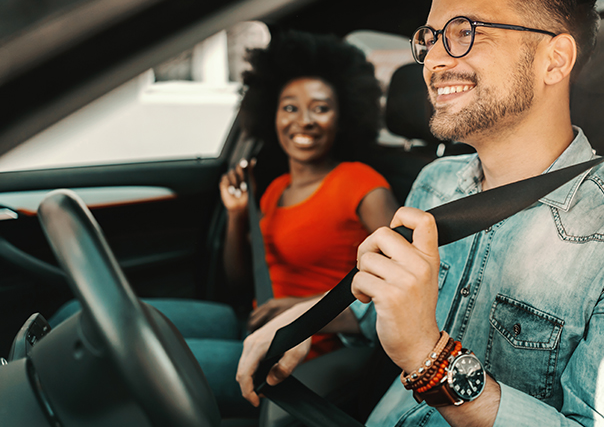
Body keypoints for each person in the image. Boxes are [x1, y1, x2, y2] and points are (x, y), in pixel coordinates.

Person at [235, 0, 604, 426]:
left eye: (466, 31)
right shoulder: (436, 185)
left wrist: (431, 357)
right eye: (431, 36)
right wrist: (304, 319)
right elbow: (389, 313)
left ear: (554, 59)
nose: (434, 59)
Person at [50, 30, 398, 418]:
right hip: (252, 322)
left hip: (303, 345)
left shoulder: (362, 184)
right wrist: (236, 215)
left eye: (321, 108)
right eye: (290, 108)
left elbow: (397, 286)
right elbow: (240, 281)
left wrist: (302, 308)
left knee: (111, 360)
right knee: (77, 316)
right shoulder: (276, 188)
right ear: (271, 113)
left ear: (344, 115)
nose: (304, 121)